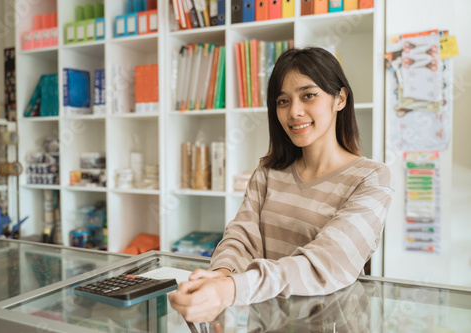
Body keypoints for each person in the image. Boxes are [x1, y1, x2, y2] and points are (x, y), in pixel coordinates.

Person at [169, 47, 394, 323]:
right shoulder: (268, 171)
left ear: (340, 99)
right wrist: (223, 274)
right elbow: (241, 238)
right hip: (267, 324)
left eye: (308, 95)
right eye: (283, 101)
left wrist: (231, 290)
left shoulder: (371, 177)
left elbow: (326, 264)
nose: (294, 112)